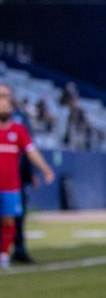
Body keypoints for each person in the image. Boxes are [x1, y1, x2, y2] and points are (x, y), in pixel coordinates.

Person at [0, 83, 55, 269]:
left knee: (10, 219)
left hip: (11, 185)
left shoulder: (19, 130)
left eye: (6, 97)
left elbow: (31, 152)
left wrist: (45, 169)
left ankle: (5, 254)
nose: (3, 102)